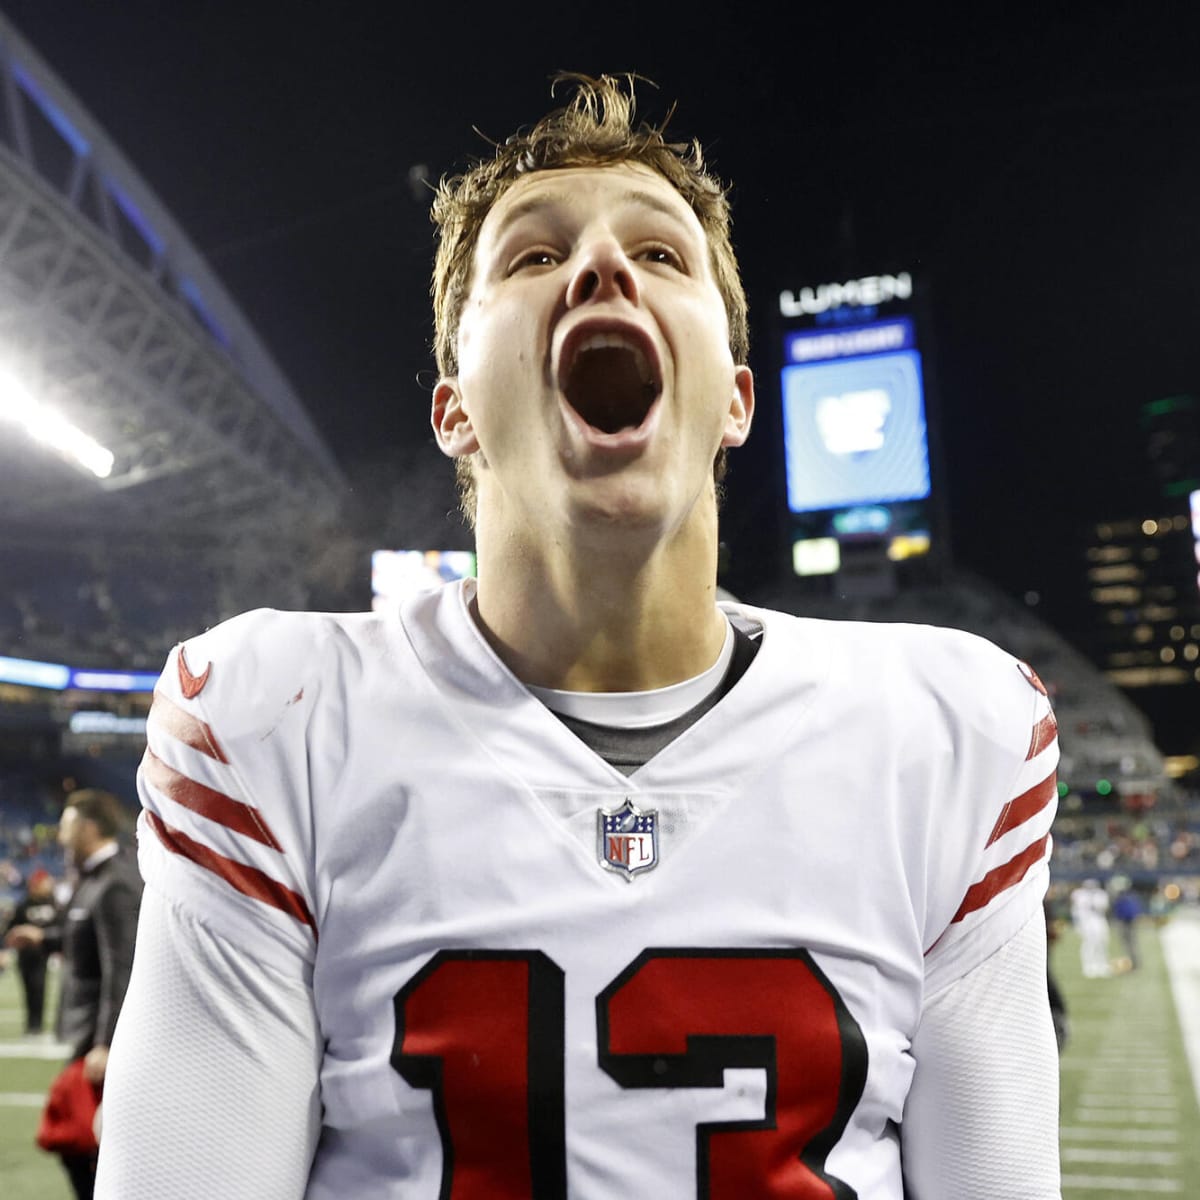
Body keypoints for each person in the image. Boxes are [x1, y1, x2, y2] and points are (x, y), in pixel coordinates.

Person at [98, 75, 1062, 1198]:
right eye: (533, 256)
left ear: (738, 400)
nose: (603, 267)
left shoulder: (947, 735)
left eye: (661, 255)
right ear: (455, 407)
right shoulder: (276, 721)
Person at [8, 791, 143, 1198]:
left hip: (98, 1039)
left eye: (66, 826)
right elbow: (78, 935)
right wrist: (44, 939)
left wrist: (104, 1042)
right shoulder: (92, 879)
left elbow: (121, 967)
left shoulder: (116, 882)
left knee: (85, 1141)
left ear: (87, 827)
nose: (60, 836)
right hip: (87, 1035)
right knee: (80, 1141)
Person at [2, 866, 59, 1035]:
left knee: (40, 987)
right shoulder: (24, 904)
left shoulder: (52, 903)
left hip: (42, 954)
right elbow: (10, 929)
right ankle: (31, 1024)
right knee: (28, 989)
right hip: (25, 954)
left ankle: (38, 1024)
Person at [1070, 878, 1111, 978]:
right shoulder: (1080, 895)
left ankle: (1102, 964)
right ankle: (1088, 966)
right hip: (1087, 922)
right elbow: (1076, 911)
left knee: (1102, 942)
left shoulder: (1100, 895)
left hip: (1099, 920)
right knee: (1089, 943)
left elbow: (1104, 908)